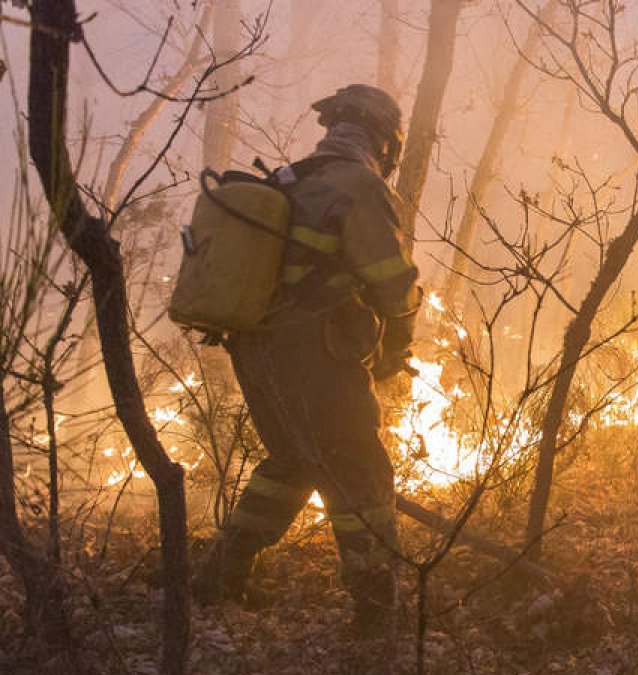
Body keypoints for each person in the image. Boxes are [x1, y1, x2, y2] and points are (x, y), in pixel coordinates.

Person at [196, 84, 421, 634]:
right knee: (358, 470)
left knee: (294, 462)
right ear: (385, 141)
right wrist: (398, 345)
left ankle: (218, 576)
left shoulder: (290, 179)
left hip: (253, 349)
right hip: (312, 354)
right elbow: (393, 286)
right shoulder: (358, 186)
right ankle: (377, 610)